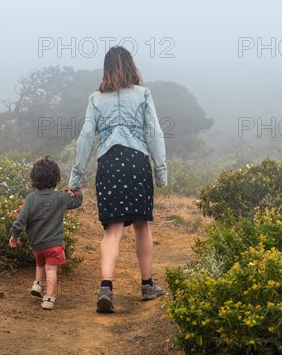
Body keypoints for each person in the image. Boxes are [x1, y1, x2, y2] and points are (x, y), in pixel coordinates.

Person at [68, 46, 168, 313]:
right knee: (141, 225)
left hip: (109, 164)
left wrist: (75, 177)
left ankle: (106, 288)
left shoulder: (95, 99)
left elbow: (86, 138)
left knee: (112, 230)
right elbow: (154, 133)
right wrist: (161, 169)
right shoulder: (143, 94)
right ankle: (147, 286)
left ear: (107, 68)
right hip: (136, 163)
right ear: (131, 66)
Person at [9, 156, 83, 310]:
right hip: (54, 244)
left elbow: (20, 220)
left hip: (36, 244)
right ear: (56, 178)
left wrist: (15, 235)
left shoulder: (31, 198)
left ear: (34, 179)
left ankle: (37, 284)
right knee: (51, 270)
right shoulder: (60, 197)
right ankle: (49, 297)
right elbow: (77, 202)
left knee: (40, 263)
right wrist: (76, 191)